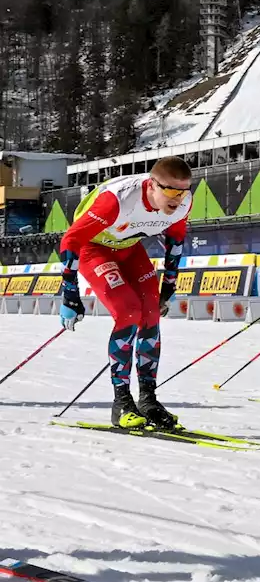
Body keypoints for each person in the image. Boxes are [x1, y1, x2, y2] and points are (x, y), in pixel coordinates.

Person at [58, 157, 194, 428]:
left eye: (183, 191)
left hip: (129, 249)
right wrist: (70, 294)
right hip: (94, 249)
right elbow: (71, 240)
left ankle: (148, 400)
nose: (177, 198)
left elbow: (176, 240)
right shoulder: (118, 200)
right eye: (170, 190)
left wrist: (169, 285)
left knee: (151, 314)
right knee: (128, 311)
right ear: (151, 185)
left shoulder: (182, 204)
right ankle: (121, 402)